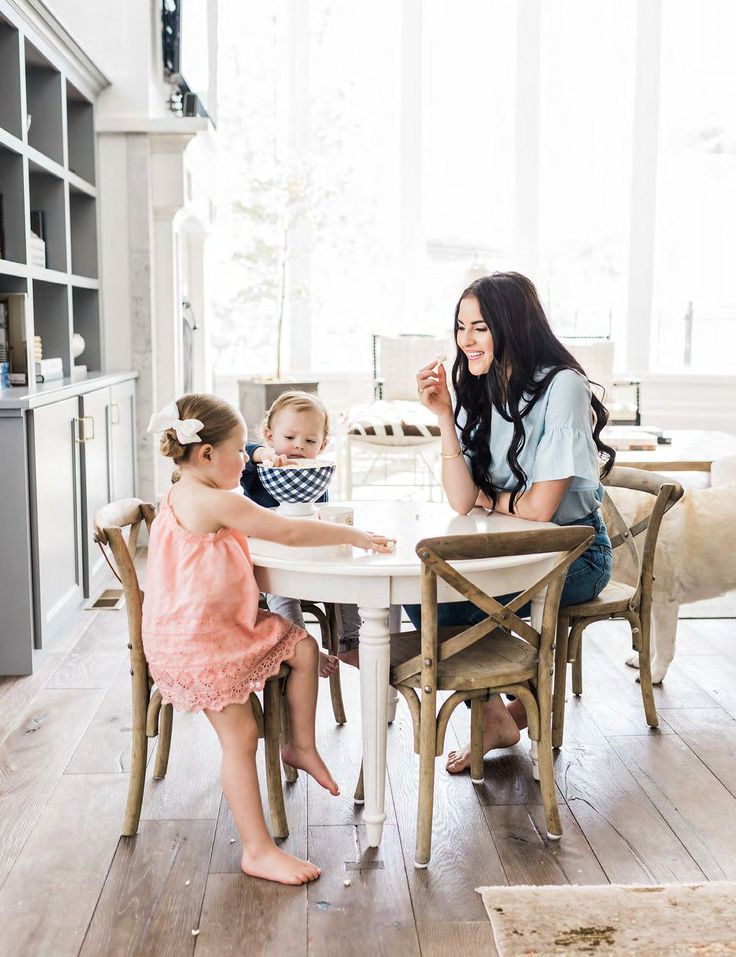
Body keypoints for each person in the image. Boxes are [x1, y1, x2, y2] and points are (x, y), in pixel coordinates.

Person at [143, 394, 393, 885]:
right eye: (241, 449)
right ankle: (256, 849)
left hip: (200, 629)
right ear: (208, 454)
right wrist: (353, 536)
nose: (250, 457)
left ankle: (299, 745)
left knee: (301, 644)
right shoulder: (217, 500)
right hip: (199, 644)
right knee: (241, 737)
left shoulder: (180, 492)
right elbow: (288, 533)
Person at [411, 271, 615, 774]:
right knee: (424, 593)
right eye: (461, 328)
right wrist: (444, 416)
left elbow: (542, 510)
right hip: (515, 553)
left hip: (574, 556)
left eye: (480, 328)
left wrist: (495, 497)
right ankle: (502, 713)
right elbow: (463, 501)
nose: (466, 341)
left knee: (445, 598)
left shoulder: (562, 386)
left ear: (512, 326)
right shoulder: (480, 387)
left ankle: (506, 709)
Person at [242, 391, 363, 670]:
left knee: (350, 578)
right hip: (270, 566)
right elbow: (242, 453)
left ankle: (350, 644)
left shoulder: (315, 473)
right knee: (283, 595)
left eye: (310, 441)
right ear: (270, 436)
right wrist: (261, 454)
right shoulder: (259, 469)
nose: (298, 446)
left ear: (323, 445)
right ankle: (301, 646)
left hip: (310, 561)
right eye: (289, 438)